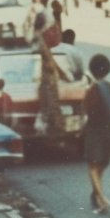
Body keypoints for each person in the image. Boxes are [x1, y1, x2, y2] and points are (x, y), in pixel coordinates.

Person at [82, 54, 110, 214]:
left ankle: (99, 196)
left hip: (94, 130)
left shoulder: (90, 92)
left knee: (93, 165)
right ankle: (98, 195)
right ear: (108, 70)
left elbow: (85, 112)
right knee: (103, 163)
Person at [32, 12, 67, 141]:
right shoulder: (39, 39)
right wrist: (59, 73)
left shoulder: (37, 37)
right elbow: (49, 60)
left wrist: (61, 72)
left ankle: (51, 131)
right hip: (46, 77)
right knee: (50, 104)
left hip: (45, 76)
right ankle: (53, 132)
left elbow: (50, 59)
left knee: (49, 105)